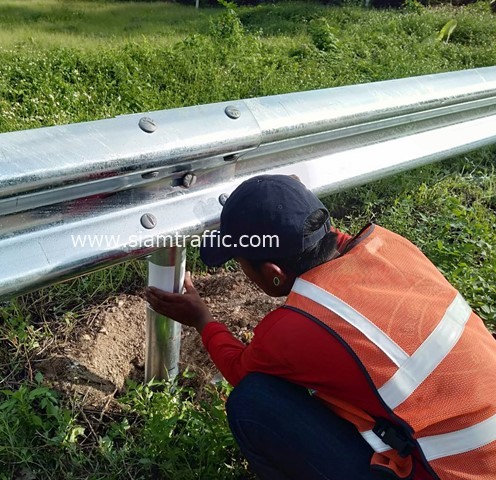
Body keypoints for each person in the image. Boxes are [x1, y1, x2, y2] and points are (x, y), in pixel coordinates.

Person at [145, 174, 496, 480]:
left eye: (241, 264)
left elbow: (240, 370)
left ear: (274, 275)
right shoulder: (389, 246)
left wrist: (202, 319)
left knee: (252, 402)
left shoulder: (299, 325)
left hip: (443, 472)